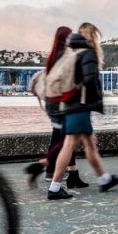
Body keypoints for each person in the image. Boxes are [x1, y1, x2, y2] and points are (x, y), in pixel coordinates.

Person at [47, 22, 118, 200]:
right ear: (92, 36)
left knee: (90, 143)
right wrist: (94, 98)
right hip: (79, 106)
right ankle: (54, 187)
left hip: (69, 105)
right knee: (69, 144)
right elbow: (89, 79)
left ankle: (104, 179)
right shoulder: (87, 52)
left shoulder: (70, 51)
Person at [24, 25, 88, 189]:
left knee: (62, 140)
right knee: (67, 140)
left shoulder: (54, 55)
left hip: (54, 104)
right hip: (63, 104)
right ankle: (42, 166)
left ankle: (72, 175)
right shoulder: (64, 56)